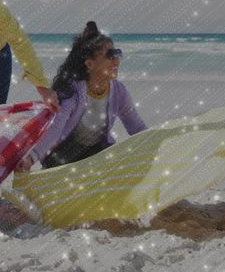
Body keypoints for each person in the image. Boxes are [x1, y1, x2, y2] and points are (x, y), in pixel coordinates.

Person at [16, 21, 146, 170]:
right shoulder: (72, 93)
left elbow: (136, 127)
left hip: (95, 152)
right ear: (90, 64)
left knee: (119, 162)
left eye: (117, 53)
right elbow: (55, 128)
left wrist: (157, 143)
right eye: (110, 55)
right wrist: (31, 158)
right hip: (62, 154)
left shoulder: (118, 92)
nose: (116, 59)